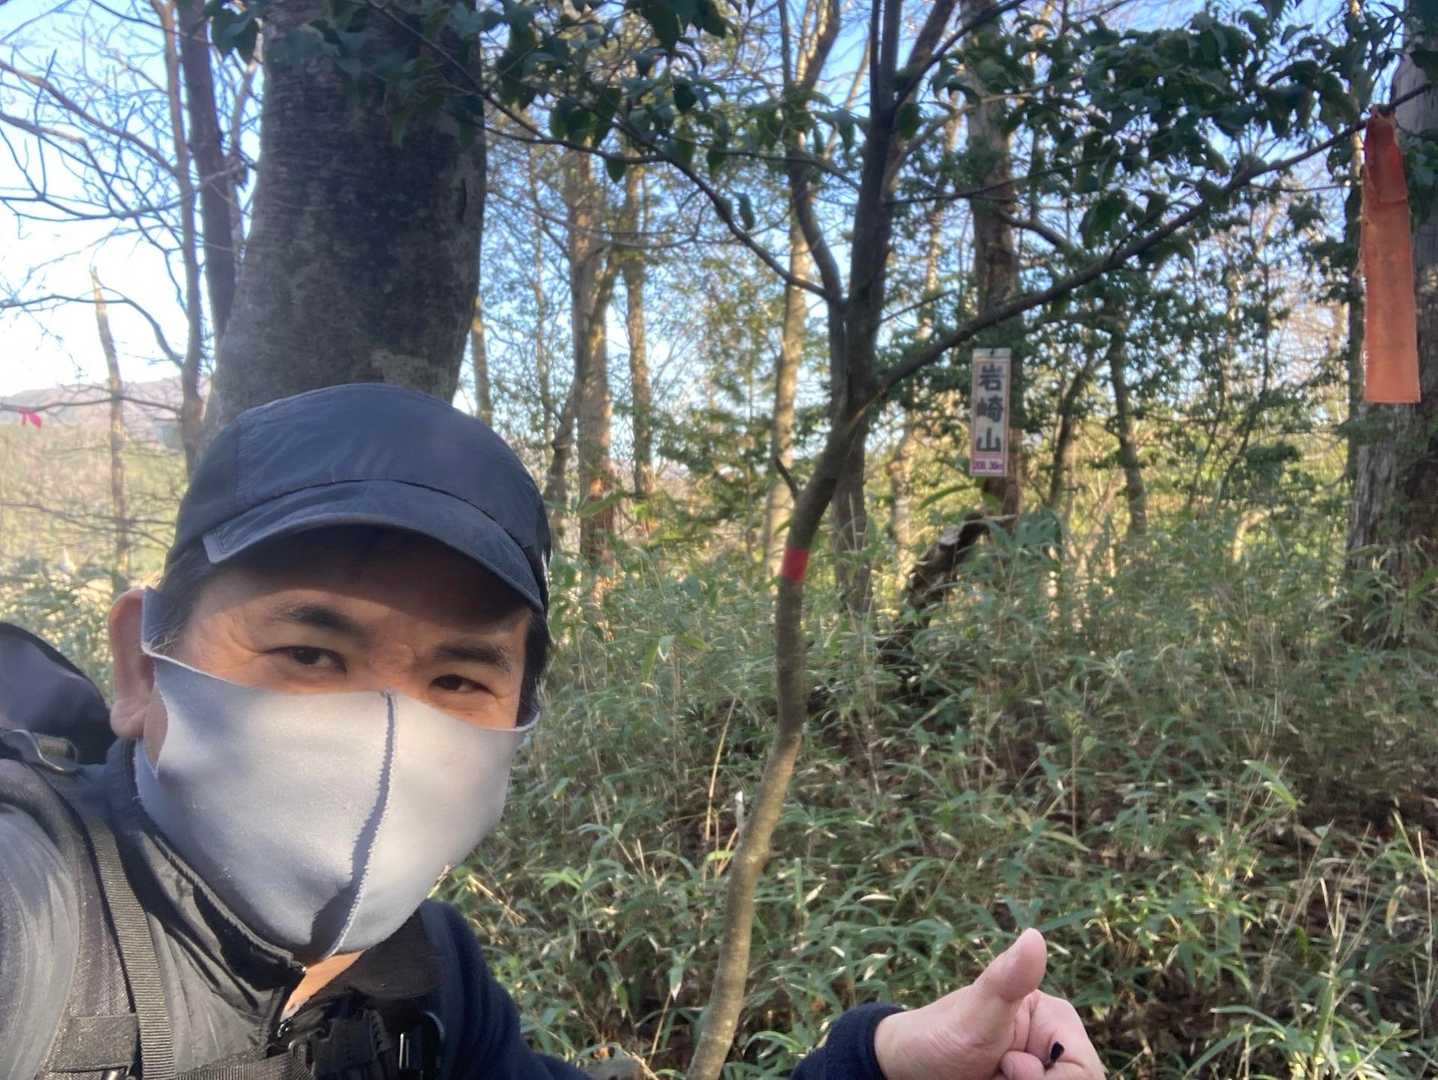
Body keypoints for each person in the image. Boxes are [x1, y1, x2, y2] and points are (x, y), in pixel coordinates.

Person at [0, 384, 1105, 1080]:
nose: (383, 737)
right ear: (140, 665)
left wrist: (883, 1065)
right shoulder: (43, 914)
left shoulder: (421, 982)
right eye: (310, 653)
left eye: (458, 676)